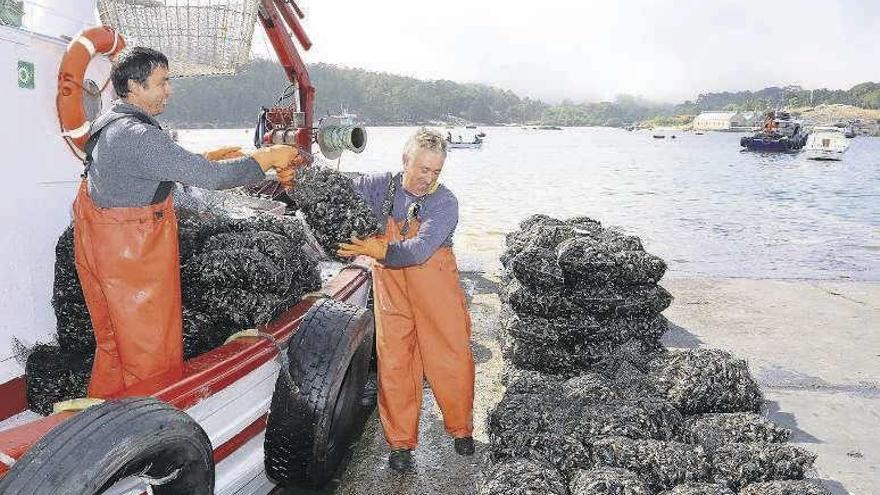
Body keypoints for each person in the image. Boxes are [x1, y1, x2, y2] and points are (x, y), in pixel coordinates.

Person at [73, 46, 299, 397]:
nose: (170, 90)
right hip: (134, 263)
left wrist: (207, 157)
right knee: (152, 356)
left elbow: (141, 172)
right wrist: (264, 159)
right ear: (134, 86)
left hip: (101, 251)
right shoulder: (140, 136)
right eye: (162, 83)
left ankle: (102, 415)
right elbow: (212, 178)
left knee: (113, 347)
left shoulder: (107, 126)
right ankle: (151, 433)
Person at [338, 128, 475, 472]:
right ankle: (400, 443)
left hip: (434, 286)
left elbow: (419, 249)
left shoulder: (445, 201)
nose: (429, 178)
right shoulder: (378, 186)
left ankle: (461, 428)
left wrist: (379, 249)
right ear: (405, 160)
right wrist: (294, 179)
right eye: (423, 169)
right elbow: (336, 195)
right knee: (396, 361)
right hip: (391, 289)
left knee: (450, 356)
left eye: (436, 172)